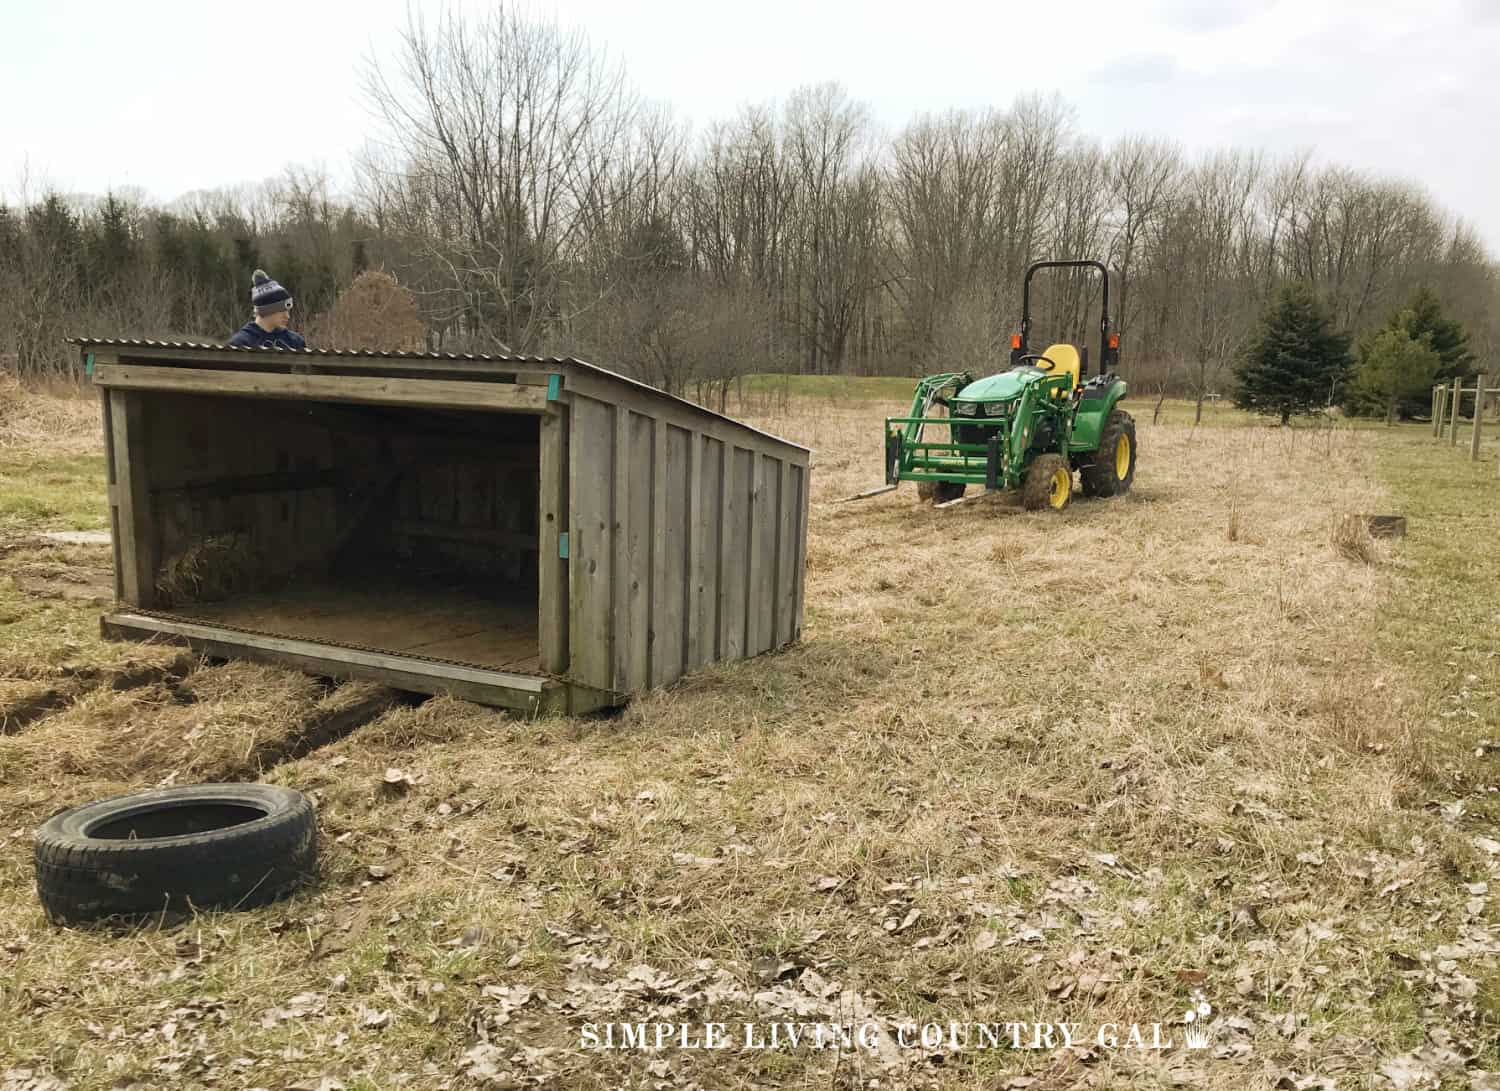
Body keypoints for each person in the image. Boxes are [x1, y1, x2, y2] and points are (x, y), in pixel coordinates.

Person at [227, 269, 307, 348]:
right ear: (266, 311)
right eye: (282, 311)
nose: (287, 316)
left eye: (288, 311)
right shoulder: (240, 344)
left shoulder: (296, 342)